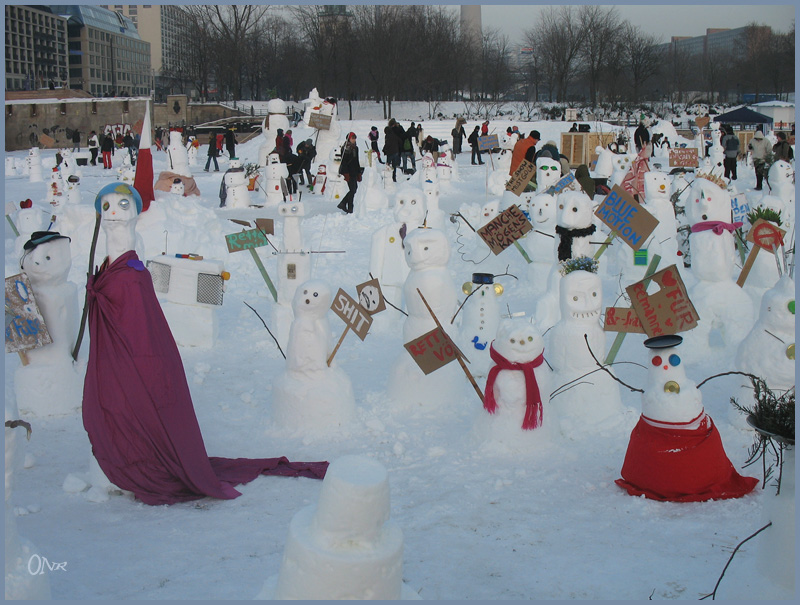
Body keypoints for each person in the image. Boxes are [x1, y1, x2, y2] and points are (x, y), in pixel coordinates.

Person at [82, 183, 327, 506]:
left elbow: (142, 329)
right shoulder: (114, 265)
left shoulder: (132, 271)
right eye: (107, 205)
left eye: (123, 205)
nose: (113, 213)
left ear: (136, 210)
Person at [337, 132, 361, 214]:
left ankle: (343, 203)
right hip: (348, 172)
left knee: (354, 189)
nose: (354, 140)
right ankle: (349, 207)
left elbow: (356, 160)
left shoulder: (356, 148)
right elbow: (344, 162)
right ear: (348, 139)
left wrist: (359, 172)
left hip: (354, 171)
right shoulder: (345, 149)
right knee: (352, 189)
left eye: (355, 138)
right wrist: (346, 173)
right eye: (352, 138)